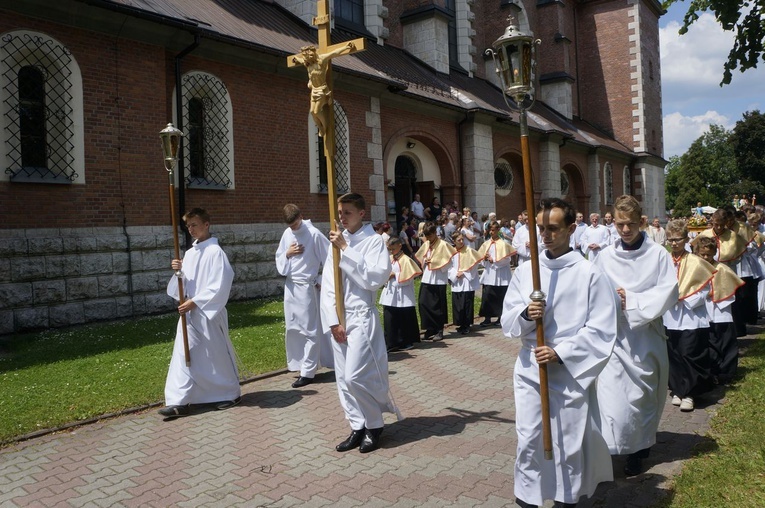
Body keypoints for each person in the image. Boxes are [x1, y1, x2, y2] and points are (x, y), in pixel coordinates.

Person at [502, 198, 618, 508]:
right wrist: (527, 314)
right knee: (528, 438)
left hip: (568, 372)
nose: (546, 235)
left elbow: (602, 328)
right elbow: (507, 319)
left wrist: (561, 351)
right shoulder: (527, 271)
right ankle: (528, 496)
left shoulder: (589, 273)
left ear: (571, 228)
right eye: (541, 229)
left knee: (567, 440)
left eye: (553, 229)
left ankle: (567, 497)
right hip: (529, 368)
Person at [592, 195, 679, 477]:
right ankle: (616, 446)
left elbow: (668, 291)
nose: (625, 230)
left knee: (641, 396)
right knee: (613, 397)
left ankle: (639, 449)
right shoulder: (604, 256)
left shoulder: (658, 255)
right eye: (619, 224)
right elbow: (593, 289)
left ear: (641, 222)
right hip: (615, 337)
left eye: (630, 224)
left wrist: (631, 298)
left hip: (645, 336)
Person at [320, 193, 399, 453]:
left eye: (348, 213)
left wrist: (346, 250)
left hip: (361, 314)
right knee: (343, 378)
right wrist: (332, 321)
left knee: (356, 375)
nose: (342, 217)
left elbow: (374, 279)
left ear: (362, 213)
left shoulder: (374, 242)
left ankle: (374, 424)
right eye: (340, 213)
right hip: (339, 318)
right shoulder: (335, 240)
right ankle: (357, 425)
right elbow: (329, 286)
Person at [159, 208, 240, 419]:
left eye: (194, 224)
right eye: (188, 226)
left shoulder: (216, 253)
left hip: (207, 314)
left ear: (206, 225)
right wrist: (179, 270)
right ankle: (180, 400)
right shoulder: (190, 253)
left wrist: (195, 302)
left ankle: (228, 392)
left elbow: (220, 284)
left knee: (214, 355)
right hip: (189, 313)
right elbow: (185, 282)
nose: (191, 229)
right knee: (184, 353)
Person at [275, 204, 333, 389]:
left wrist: (320, 278)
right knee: (293, 327)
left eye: (295, 224)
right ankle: (298, 364)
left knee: (309, 329)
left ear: (301, 215)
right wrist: (287, 253)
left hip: (307, 288)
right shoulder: (287, 233)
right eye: (290, 225)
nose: (293, 228)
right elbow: (279, 258)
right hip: (291, 287)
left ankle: (308, 372)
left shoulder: (314, 234)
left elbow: (329, 259)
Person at [663, 220, 715, 412]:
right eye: (670, 239)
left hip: (691, 314)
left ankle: (690, 392)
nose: (674, 243)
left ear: (686, 239)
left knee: (689, 353)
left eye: (677, 239)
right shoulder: (665, 260)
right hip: (670, 314)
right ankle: (678, 388)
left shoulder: (695, 262)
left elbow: (705, 288)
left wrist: (686, 299)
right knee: (674, 353)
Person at [695, 237, 744, 384]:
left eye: (708, 255)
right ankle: (712, 370)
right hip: (702, 311)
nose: (705, 258)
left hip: (721, 311)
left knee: (725, 342)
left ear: (714, 253)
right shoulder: (694, 268)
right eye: (702, 254)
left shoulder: (721, 268)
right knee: (708, 343)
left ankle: (726, 372)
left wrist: (714, 293)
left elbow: (728, 286)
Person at [290, 42, 357, 138]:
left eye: (307, 56)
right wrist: (296, 59)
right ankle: (320, 126)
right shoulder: (308, 64)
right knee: (312, 112)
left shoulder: (321, 60)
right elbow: (299, 59)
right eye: (305, 57)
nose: (306, 59)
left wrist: (345, 47)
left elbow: (334, 53)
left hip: (322, 90)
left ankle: (323, 128)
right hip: (314, 91)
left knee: (317, 111)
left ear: (312, 54)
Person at [380, 237, 422, 352]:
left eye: (393, 249)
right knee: (390, 318)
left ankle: (406, 341)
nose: (391, 252)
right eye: (389, 249)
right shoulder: (389, 259)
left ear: (399, 246)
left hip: (403, 294)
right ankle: (391, 342)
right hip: (390, 293)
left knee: (404, 318)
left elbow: (409, 278)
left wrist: (395, 275)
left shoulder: (406, 260)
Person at [416, 222, 456, 341]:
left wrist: (436, 264)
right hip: (427, 277)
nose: (427, 238)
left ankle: (439, 329)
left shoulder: (443, 245)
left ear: (435, 233)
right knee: (423, 303)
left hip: (439, 278)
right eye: (426, 236)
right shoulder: (427, 244)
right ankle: (429, 328)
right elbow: (422, 257)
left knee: (438, 306)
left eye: (429, 236)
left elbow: (449, 262)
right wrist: (425, 261)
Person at [478, 221, 515, 327]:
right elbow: (480, 258)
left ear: (498, 230)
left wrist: (493, 260)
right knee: (487, 295)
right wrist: (484, 259)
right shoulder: (486, 243)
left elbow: (507, 260)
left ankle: (500, 317)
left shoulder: (503, 244)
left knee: (500, 295)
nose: (491, 232)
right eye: (490, 230)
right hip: (489, 273)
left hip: (500, 274)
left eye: (493, 230)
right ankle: (487, 317)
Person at [449, 231, 482, 334]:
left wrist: (464, 272)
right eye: (459, 240)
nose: (462, 241)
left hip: (466, 280)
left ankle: (466, 324)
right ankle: (460, 323)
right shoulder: (451, 252)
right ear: (454, 241)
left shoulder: (469, 251)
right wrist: (455, 274)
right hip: (456, 280)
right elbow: (448, 266)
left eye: (462, 239)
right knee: (458, 303)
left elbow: (475, 264)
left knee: (466, 303)